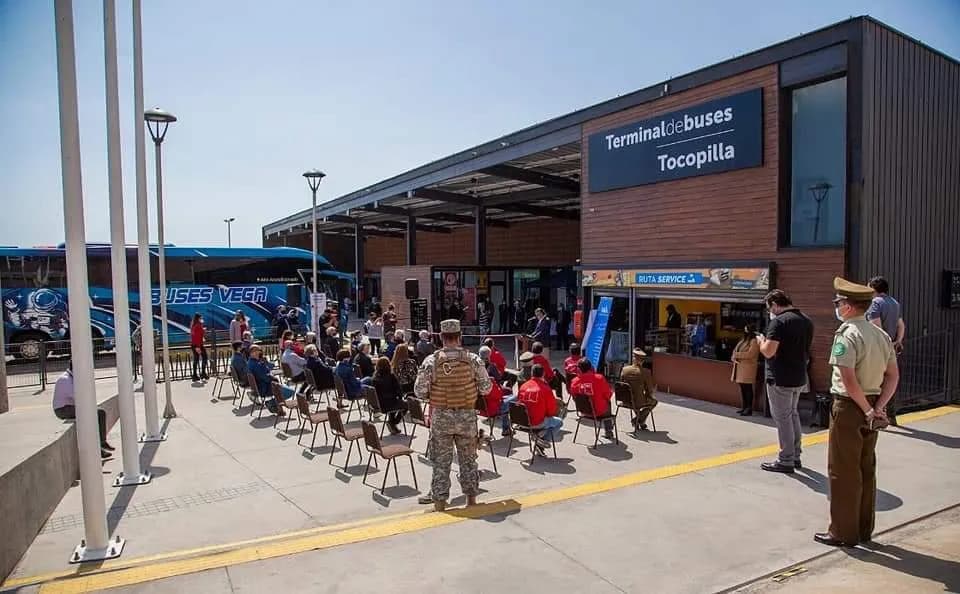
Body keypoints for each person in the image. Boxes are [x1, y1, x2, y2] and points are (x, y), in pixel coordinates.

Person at [815, 277, 899, 547]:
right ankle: (864, 529)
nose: (837, 307)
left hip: (850, 406)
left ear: (849, 307)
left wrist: (866, 410)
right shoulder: (881, 335)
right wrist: (878, 407)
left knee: (842, 470)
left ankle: (842, 532)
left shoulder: (847, 334)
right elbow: (893, 376)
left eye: (839, 303)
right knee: (866, 467)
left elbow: (848, 379)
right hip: (873, 402)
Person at [414, 319, 492, 511]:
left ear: (441, 337)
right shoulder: (473, 360)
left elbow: (419, 391)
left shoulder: (431, 361)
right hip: (466, 417)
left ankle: (440, 504)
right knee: (468, 460)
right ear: (460, 336)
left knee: (441, 462)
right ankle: (471, 501)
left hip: (441, 418)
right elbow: (486, 388)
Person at [757, 289, 814, 474]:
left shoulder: (779, 322)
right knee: (792, 415)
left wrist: (761, 341)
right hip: (798, 376)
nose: (769, 312)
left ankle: (786, 459)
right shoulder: (806, 320)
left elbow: (769, 351)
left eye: (769, 308)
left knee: (783, 418)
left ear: (774, 304)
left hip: (780, 378)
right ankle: (795, 455)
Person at [866, 276, 906, 426]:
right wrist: (898, 341)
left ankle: (877, 415)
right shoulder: (894, 303)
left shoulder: (875, 303)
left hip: (879, 349)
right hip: (892, 348)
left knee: (875, 382)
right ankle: (891, 414)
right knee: (890, 380)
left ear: (872, 288)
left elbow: (876, 327)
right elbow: (901, 324)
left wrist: (882, 345)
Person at [52, 363, 114, 459]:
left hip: (72, 406)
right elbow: (78, 397)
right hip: (63, 409)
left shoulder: (73, 378)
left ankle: (102, 441)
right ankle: (98, 449)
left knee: (100, 412)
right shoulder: (65, 380)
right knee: (91, 416)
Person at [517, 364, 562, 454]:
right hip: (537, 423)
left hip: (522, 422)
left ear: (531, 373)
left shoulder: (523, 387)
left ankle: (539, 437)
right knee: (559, 422)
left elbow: (519, 404)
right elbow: (551, 411)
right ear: (543, 374)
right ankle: (541, 442)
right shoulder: (545, 389)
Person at [570, 358, 615, 440]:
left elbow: (574, 397)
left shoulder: (574, 382)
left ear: (579, 369)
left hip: (583, 411)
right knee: (608, 403)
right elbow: (609, 394)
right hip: (599, 411)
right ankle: (608, 431)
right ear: (591, 368)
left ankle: (608, 431)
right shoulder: (599, 378)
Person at [363, 357, 405, 435]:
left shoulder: (374, 377)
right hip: (389, 403)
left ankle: (392, 423)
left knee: (394, 402)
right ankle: (393, 422)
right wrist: (400, 396)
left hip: (379, 405)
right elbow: (399, 391)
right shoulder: (391, 376)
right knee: (406, 405)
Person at [247, 344, 293, 415]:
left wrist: (265, 365)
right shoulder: (256, 364)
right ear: (250, 353)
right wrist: (274, 378)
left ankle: (275, 405)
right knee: (290, 392)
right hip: (265, 387)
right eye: (254, 351)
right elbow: (266, 377)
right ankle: (271, 403)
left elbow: (267, 370)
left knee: (284, 387)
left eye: (258, 351)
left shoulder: (251, 362)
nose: (256, 353)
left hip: (261, 387)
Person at [620, 349, 658, 431]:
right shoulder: (646, 372)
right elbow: (650, 391)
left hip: (625, 400)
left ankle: (640, 421)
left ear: (634, 359)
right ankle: (638, 420)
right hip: (637, 401)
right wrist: (649, 396)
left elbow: (621, 385)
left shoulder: (624, 370)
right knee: (654, 402)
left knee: (635, 399)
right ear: (643, 361)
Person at [731, 326, 760, 416]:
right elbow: (735, 350)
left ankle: (749, 408)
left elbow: (751, 354)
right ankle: (744, 406)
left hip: (748, 368)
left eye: (746, 329)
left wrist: (737, 355)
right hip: (740, 367)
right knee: (742, 388)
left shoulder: (754, 341)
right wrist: (733, 356)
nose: (745, 331)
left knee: (748, 388)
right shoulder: (743, 340)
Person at [190, 313, 209, 381]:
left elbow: (196, 334)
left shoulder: (194, 325)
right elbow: (197, 336)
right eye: (201, 318)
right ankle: (202, 373)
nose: (202, 319)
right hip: (198, 345)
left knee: (196, 359)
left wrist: (203, 330)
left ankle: (195, 374)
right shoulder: (198, 325)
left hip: (195, 344)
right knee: (204, 358)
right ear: (198, 318)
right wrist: (198, 347)